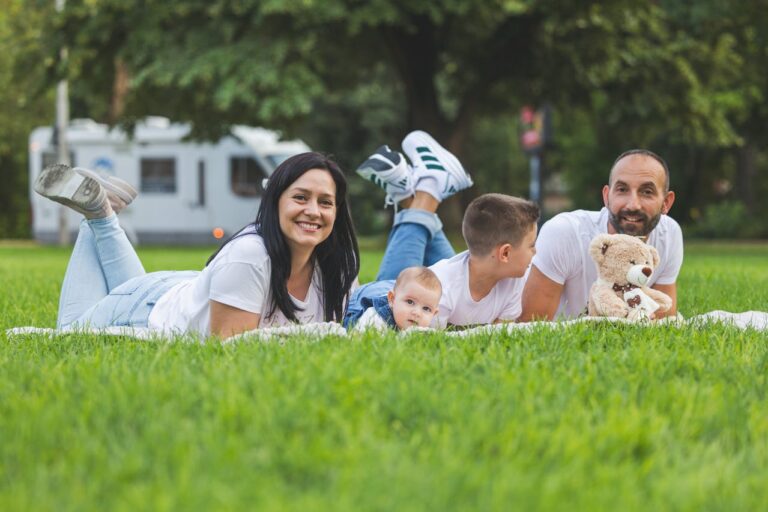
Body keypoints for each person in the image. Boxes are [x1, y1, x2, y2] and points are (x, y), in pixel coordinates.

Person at [33, 152, 359, 338]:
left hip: (182, 291)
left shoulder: (338, 268)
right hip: (142, 311)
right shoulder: (251, 256)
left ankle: (104, 211)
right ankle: (98, 212)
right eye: (300, 198)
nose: (313, 211)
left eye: (325, 202)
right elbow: (228, 348)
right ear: (275, 202)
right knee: (69, 336)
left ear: (338, 211)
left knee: (127, 292)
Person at [355, 130, 540, 328]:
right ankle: (430, 185)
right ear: (505, 253)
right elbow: (427, 336)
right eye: (531, 245)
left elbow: (498, 334)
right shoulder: (440, 289)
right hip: (391, 296)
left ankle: (409, 196)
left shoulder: (512, 280)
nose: (535, 251)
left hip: (458, 278)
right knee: (396, 301)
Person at [519, 149, 683, 321]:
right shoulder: (565, 233)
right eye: (622, 189)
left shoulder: (669, 234)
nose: (633, 204)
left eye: (647, 192)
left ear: (666, 203)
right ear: (606, 196)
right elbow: (531, 325)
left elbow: (663, 321)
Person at [344, 266, 442, 331]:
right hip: (358, 302)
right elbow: (358, 338)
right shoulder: (375, 318)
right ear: (392, 299)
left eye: (426, 309)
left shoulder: (422, 329)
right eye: (410, 302)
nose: (417, 313)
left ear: (434, 313)